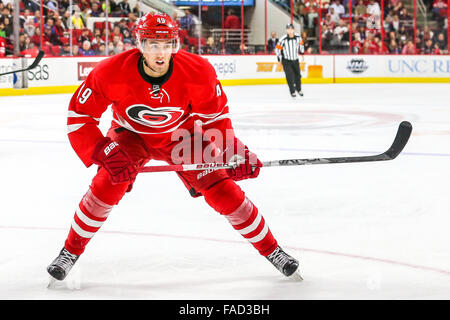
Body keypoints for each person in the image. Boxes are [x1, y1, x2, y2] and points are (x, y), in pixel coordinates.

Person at [47, 12, 302, 282]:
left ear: (175, 45)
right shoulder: (110, 72)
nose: (161, 53)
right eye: (153, 45)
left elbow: (216, 118)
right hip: (131, 135)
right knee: (107, 183)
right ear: (140, 44)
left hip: (183, 136)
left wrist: (233, 152)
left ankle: (272, 250)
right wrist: (102, 150)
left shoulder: (197, 70)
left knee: (224, 190)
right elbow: (80, 117)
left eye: (167, 44)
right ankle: (70, 251)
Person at [275, 24, 305, 98]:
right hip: (286, 60)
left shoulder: (298, 37)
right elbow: (277, 49)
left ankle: (299, 89)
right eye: (288, 29)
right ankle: (292, 91)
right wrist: (279, 60)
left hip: (295, 59)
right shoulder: (283, 39)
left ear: (293, 29)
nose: (290, 31)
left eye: (291, 29)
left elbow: (301, 45)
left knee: (298, 75)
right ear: (286, 30)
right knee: (289, 76)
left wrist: (302, 53)